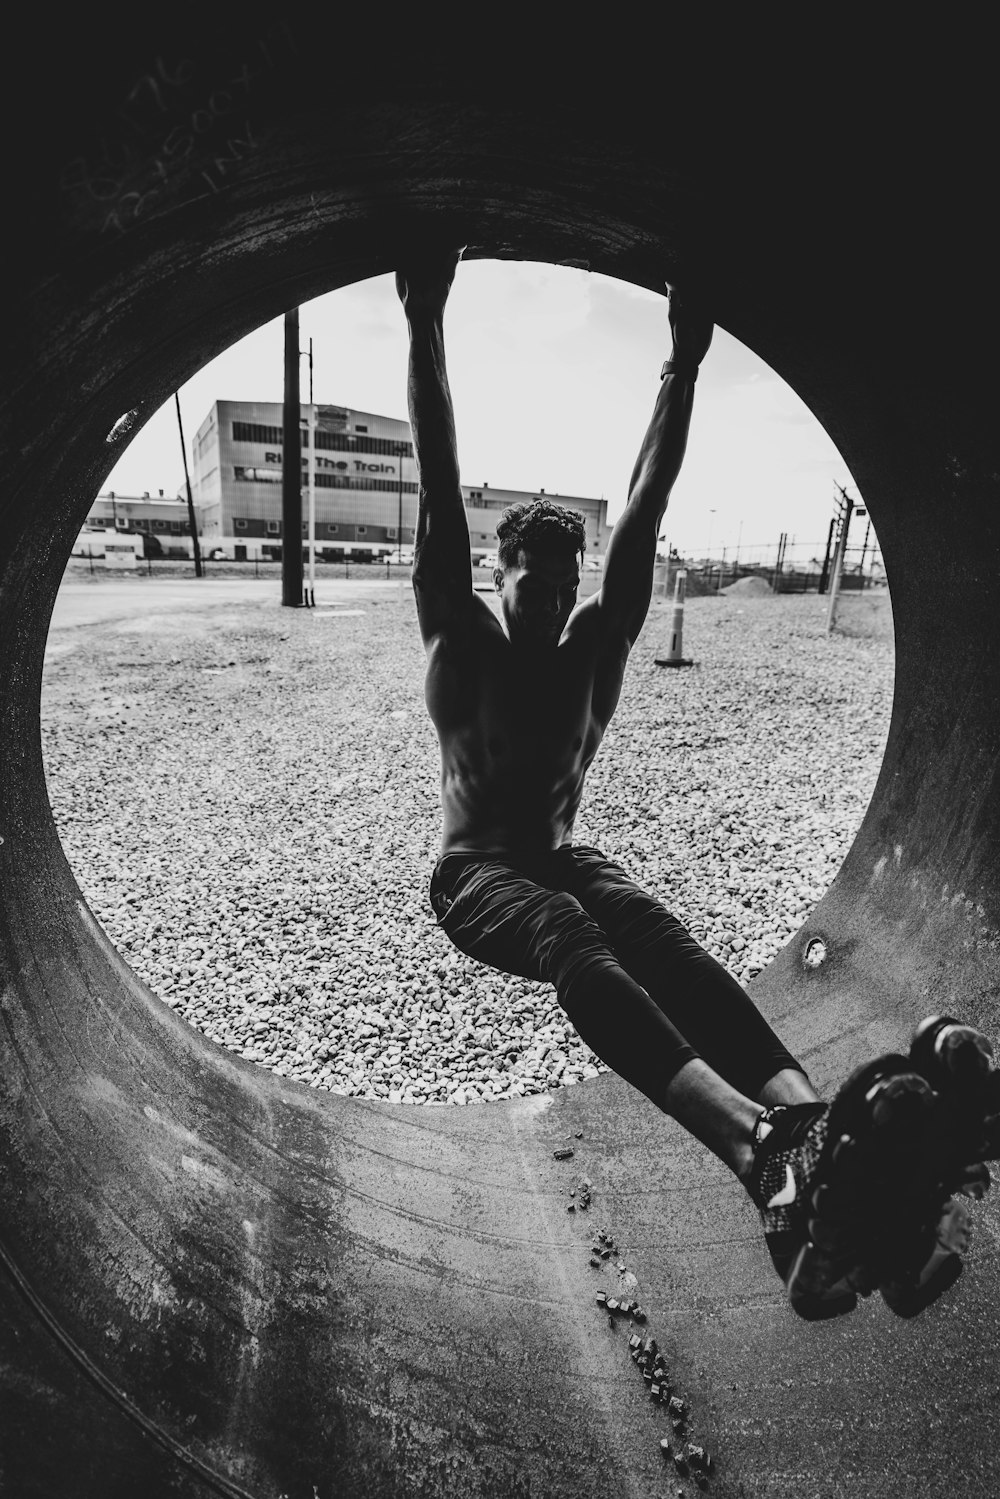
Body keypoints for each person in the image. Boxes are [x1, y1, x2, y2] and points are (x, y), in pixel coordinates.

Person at [395, 247, 996, 1320]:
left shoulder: (595, 644)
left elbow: (643, 498)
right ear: (495, 577)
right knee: (575, 936)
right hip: (475, 873)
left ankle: (833, 1155)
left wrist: (682, 360)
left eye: (565, 584)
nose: (548, 599)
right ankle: (758, 1147)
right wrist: (423, 310)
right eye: (529, 583)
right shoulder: (461, 636)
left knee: (662, 940)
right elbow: (438, 484)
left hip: (560, 853)